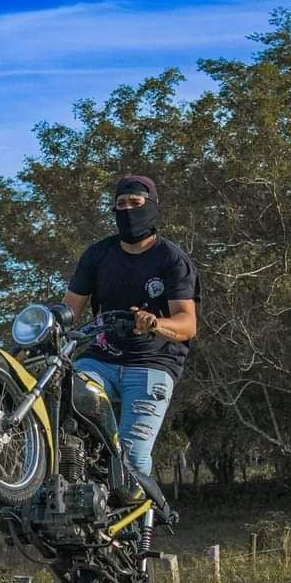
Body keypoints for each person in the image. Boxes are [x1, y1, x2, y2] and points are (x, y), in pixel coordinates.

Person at [62, 174, 201, 483]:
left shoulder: (172, 259)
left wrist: (155, 323)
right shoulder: (98, 255)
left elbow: (187, 323)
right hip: (101, 359)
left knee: (132, 462)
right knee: (68, 388)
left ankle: (137, 524)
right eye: (120, 204)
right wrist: (46, 325)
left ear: (151, 206)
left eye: (135, 203)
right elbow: (69, 309)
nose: (127, 210)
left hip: (153, 364)